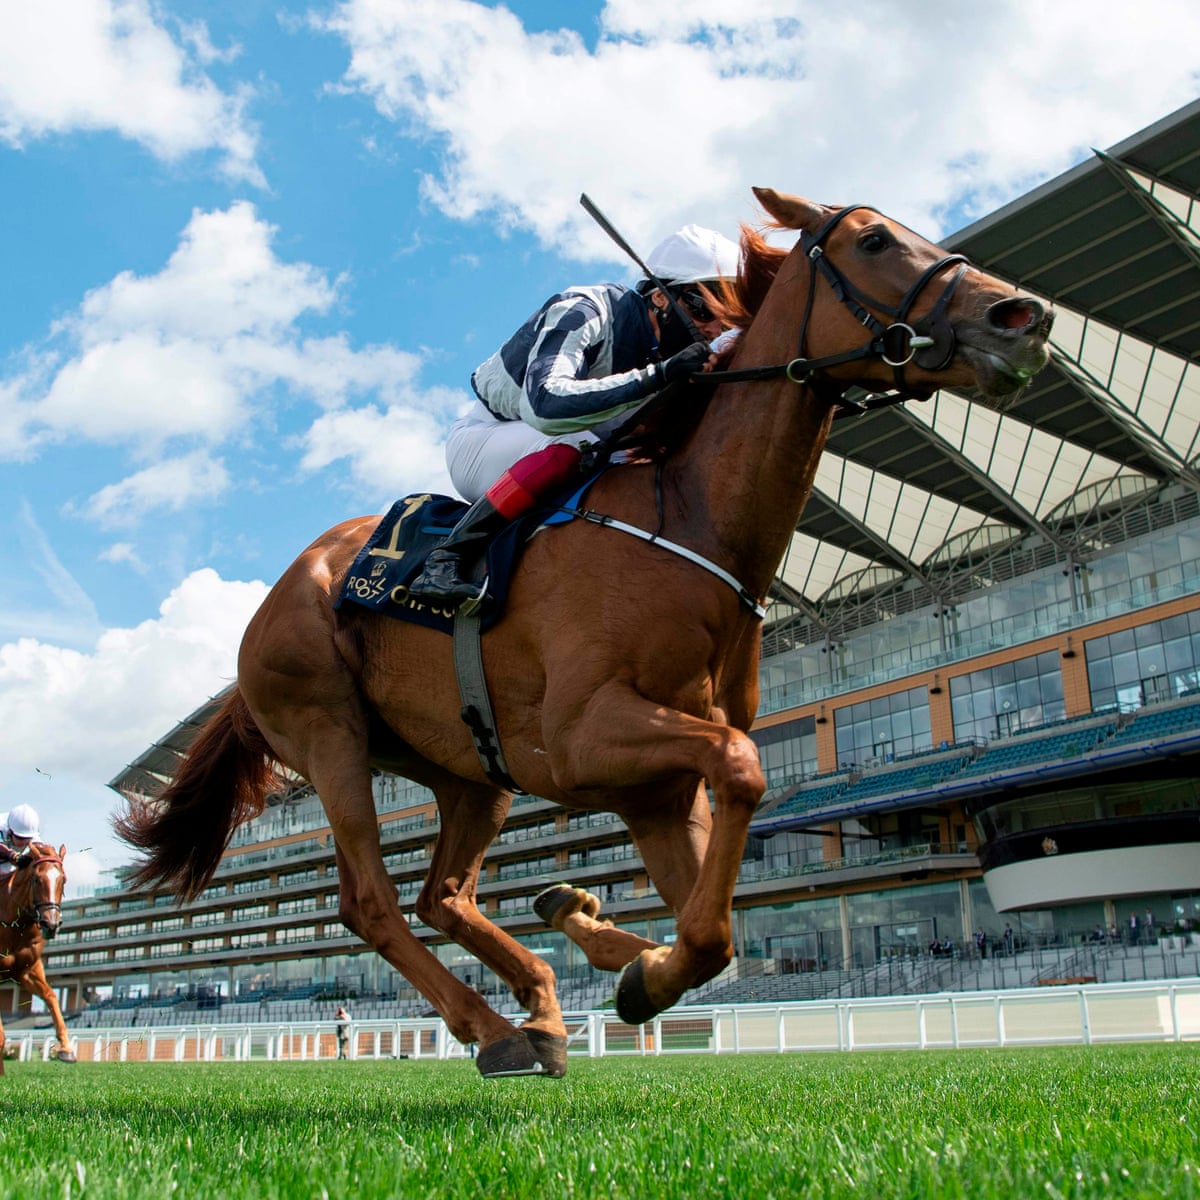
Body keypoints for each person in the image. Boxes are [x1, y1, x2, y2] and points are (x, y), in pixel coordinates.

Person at [406, 224, 741, 605]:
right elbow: (546, 406)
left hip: (567, 442)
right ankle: (445, 560)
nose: (712, 328)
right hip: (486, 439)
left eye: (725, 320)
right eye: (703, 309)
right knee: (576, 444)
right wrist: (658, 376)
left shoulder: (670, 348)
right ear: (661, 297)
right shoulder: (585, 308)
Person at [0, 804, 40, 875]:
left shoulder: (30, 829)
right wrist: (12, 855)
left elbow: (40, 847)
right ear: (10, 831)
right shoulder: (2, 827)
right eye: (21, 838)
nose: (25, 842)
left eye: (28, 838)